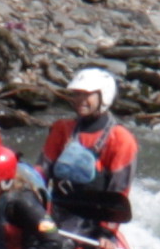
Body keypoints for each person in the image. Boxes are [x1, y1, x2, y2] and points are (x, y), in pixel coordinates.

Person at [38, 69, 139, 229]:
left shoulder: (121, 139)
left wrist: (106, 231)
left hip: (94, 219)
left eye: (86, 94)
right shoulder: (61, 129)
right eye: (77, 94)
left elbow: (119, 191)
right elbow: (41, 171)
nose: (79, 100)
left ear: (103, 96)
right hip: (58, 210)